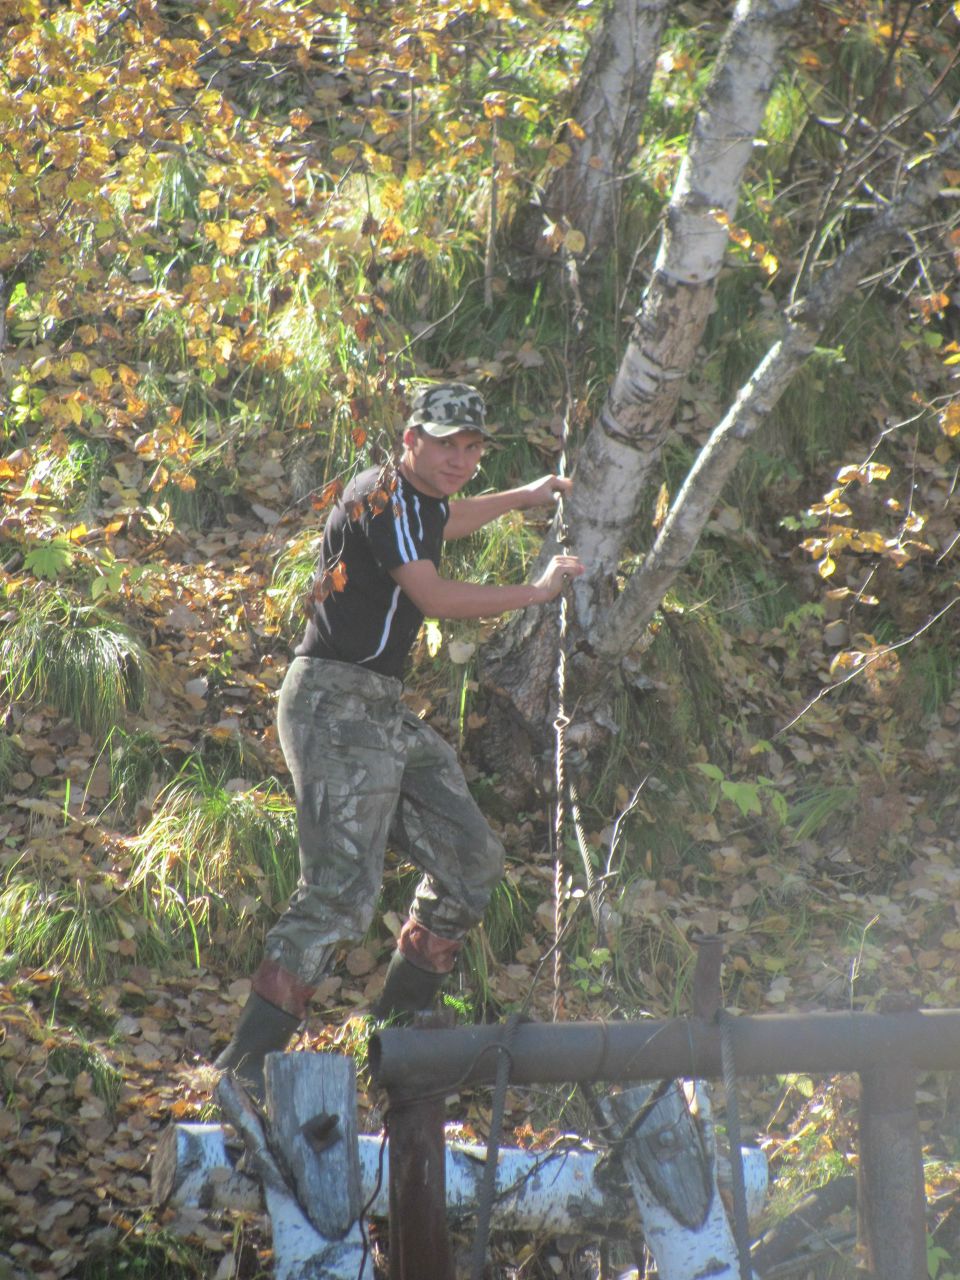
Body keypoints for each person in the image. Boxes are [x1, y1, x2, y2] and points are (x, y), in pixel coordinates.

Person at [214, 382, 585, 1097]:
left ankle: (393, 1039)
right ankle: (245, 1068)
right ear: (410, 439)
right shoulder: (381, 498)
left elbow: (447, 520)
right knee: (340, 894)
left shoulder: (417, 501)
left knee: (471, 858)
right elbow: (437, 597)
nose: (461, 460)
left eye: (472, 447)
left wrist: (523, 495)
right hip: (330, 705)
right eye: (447, 445)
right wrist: (536, 593)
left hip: (379, 707)